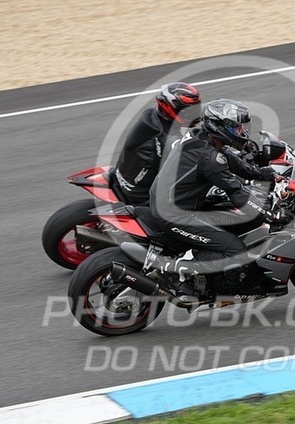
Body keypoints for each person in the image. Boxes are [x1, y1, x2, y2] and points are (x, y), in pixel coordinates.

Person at [150, 98, 277, 290]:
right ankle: (175, 267)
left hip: (169, 200)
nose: (242, 133)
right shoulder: (210, 158)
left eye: (241, 128)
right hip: (174, 215)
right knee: (234, 250)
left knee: (229, 216)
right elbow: (236, 192)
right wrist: (268, 213)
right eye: (236, 128)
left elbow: (231, 160)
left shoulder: (200, 136)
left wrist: (262, 173)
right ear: (219, 127)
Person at [113, 82, 201, 205]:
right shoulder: (165, 137)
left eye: (195, 108)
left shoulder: (152, 115)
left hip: (127, 171)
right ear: (169, 107)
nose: (193, 114)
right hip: (139, 192)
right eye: (187, 110)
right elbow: (191, 157)